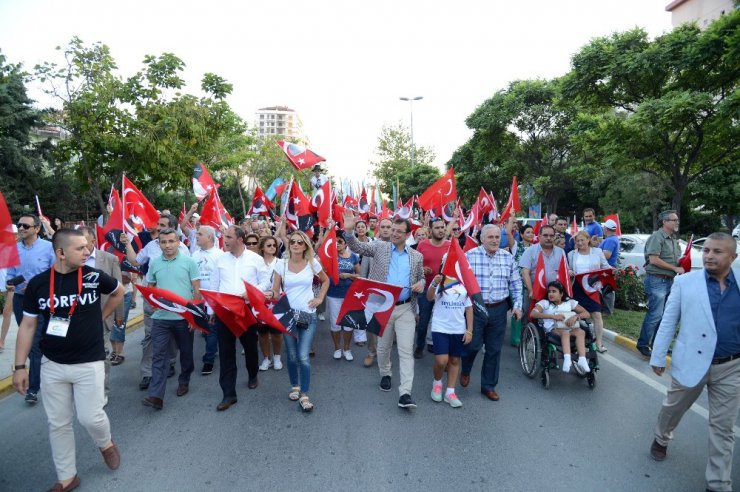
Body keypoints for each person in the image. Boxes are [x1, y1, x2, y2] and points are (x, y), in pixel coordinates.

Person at [12, 228, 124, 491]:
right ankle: (67, 477)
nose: (87, 252)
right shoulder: (38, 285)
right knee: (58, 423)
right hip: (53, 363)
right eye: (80, 248)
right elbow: (28, 327)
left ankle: (105, 442)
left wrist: (101, 315)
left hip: (89, 362)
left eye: (87, 247)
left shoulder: (95, 277)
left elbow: (118, 292)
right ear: (60, 253)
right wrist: (19, 367)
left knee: (90, 417)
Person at [649, 233, 740, 492]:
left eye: (717, 251)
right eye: (707, 250)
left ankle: (718, 484)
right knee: (672, 409)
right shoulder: (685, 283)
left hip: (731, 367)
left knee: (723, 428)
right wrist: (658, 355)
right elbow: (668, 320)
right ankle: (661, 437)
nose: (709, 255)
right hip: (690, 361)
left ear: (733, 257)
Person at [343, 212, 425, 410]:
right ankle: (385, 374)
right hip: (382, 306)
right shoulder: (379, 247)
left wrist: (421, 283)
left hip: (406, 307)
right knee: (383, 347)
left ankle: (405, 393)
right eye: (393, 230)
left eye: (399, 231)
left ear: (408, 234)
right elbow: (357, 246)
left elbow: (421, 277)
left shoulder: (416, 256)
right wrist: (348, 230)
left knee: (406, 351)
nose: (394, 233)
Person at [122, 214, 189, 390]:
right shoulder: (151, 246)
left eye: (162, 225)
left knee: (173, 335)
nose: (157, 227)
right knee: (151, 335)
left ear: (173, 229)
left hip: (174, 300)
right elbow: (135, 260)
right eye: (158, 224)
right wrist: (127, 243)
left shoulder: (183, 249)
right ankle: (147, 373)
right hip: (152, 299)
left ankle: (171, 361)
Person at [460, 224, 523, 401]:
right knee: (472, 345)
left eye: (497, 237)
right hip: (475, 310)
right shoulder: (469, 257)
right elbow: (460, 281)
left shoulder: (507, 257)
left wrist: (517, 306)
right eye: (491, 237)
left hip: (499, 309)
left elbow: (516, 284)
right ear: (482, 239)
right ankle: (465, 369)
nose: (495, 240)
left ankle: (488, 386)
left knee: (494, 349)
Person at [141, 228, 201, 410]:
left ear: (178, 242)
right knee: (159, 355)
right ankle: (156, 395)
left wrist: (193, 317)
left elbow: (196, 291)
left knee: (186, 353)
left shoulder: (189, 262)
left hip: (183, 317)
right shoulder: (155, 263)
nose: (167, 245)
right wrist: (152, 303)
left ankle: (184, 380)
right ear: (159, 243)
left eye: (171, 241)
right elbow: (150, 286)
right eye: (163, 242)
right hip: (161, 318)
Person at [271, 230, 330, 412]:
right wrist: (265, 295)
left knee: (303, 356)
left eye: (299, 242)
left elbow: (326, 280)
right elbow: (275, 292)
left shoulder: (312, 263)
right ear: (289, 245)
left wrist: (319, 299)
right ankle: (294, 386)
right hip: (288, 315)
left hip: (308, 314)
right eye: (293, 242)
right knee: (291, 355)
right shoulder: (280, 264)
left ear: (305, 246)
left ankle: (304, 393)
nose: (295, 244)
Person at [209, 226, 264, 411]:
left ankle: (252, 374)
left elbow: (266, 281)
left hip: (246, 309)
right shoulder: (220, 260)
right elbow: (214, 286)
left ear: (240, 240)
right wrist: (211, 311)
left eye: (229, 237)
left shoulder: (256, 259)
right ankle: (228, 394)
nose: (224, 240)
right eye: (225, 236)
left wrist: (251, 292)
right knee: (226, 352)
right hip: (224, 311)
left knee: (249, 347)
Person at [6, 213, 56, 404]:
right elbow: (10, 275)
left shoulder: (47, 248)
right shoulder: (13, 249)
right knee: (31, 341)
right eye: (19, 225)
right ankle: (38, 377)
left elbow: (55, 272)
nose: (21, 229)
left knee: (37, 342)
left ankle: (33, 387)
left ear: (37, 229)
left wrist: (37, 285)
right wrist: (12, 284)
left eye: (26, 226)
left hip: (41, 300)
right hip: (21, 300)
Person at [80, 227, 124, 399]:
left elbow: (118, 288)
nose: (81, 247)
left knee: (101, 354)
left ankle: (102, 391)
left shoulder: (109, 259)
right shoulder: (70, 260)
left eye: (84, 242)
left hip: (101, 316)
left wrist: (119, 315)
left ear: (92, 242)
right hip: (77, 316)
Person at [636, 210, 685, 358]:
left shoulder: (673, 239)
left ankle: (657, 345)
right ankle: (643, 344)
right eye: (673, 220)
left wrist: (683, 263)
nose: (676, 222)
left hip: (669, 281)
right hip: (657, 280)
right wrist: (675, 268)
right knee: (655, 315)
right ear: (664, 222)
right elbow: (654, 259)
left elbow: (675, 259)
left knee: (665, 316)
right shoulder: (657, 237)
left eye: (677, 220)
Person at [427, 273, 473, 408]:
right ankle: (437, 383)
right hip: (440, 326)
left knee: (454, 360)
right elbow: (429, 297)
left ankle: (450, 392)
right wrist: (434, 283)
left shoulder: (464, 281)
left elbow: (469, 308)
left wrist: (469, 330)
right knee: (442, 361)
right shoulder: (440, 279)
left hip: (458, 328)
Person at [530, 281, 591, 373]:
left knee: (581, 332)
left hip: (570, 327)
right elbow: (533, 314)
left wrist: (576, 317)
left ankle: (582, 359)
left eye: (554, 291)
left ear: (561, 294)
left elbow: (586, 313)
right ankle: (567, 359)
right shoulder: (545, 303)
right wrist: (553, 316)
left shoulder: (570, 303)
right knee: (565, 333)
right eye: (549, 291)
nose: (550, 294)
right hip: (552, 330)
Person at [567, 230, 611, 353]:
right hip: (577, 288)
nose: (580, 243)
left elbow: (605, 266)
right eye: (578, 241)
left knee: (597, 315)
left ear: (588, 240)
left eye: (582, 240)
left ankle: (599, 343)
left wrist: (612, 271)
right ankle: (577, 341)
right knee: (577, 314)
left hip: (592, 288)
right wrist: (569, 271)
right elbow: (568, 268)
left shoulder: (597, 252)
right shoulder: (571, 254)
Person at [414, 217, 450, 358]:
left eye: (442, 227)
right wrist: (422, 270)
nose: (441, 230)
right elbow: (414, 266)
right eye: (437, 228)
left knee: (441, 319)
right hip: (426, 288)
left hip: (444, 290)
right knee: (424, 320)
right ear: (430, 230)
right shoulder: (422, 245)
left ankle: (436, 344)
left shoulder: (450, 245)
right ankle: (420, 345)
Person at [190, 225, 224, 375]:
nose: (196, 236)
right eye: (196, 233)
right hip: (198, 300)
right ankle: (212, 349)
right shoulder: (194, 255)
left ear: (210, 237)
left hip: (213, 300)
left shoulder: (219, 255)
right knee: (204, 329)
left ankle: (208, 360)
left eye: (200, 234)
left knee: (211, 329)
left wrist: (215, 304)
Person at [324, 230, 360, 360]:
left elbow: (359, 275)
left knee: (349, 323)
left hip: (350, 294)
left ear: (345, 244)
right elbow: (323, 273)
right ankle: (337, 348)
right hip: (334, 294)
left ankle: (347, 349)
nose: (337, 244)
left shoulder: (354, 256)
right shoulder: (329, 256)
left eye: (340, 242)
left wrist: (349, 275)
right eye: (335, 242)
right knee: (335, 323)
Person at [520, 225, 566, 307]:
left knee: (552, 317)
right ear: (539, 236)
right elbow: (525, 273)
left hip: (554, 293)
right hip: (534, 291)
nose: (548, 238)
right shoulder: (530, 251)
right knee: (530, 317)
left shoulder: (561, 252)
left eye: (551, 236)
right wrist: (531, 291)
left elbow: (564, 271)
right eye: (545, 235)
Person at [256, 235, 283, 371]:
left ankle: (277, 357)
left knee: (277, 333)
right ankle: (266, 358)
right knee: (262, 333)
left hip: (276, 301)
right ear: (262, 248)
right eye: (269, 245)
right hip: (260, 302)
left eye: (274, 245)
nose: (273, 247)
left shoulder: (281, 262)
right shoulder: (256, 262)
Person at [509, 224, 534, 346]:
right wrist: (512, 218)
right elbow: (509, 233)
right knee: (518, 309)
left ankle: (525, 334)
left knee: (528, 310)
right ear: (522, 235)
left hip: (530, 283)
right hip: (517, 285)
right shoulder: (515, 247)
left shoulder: (535, 248)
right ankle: (516, 338)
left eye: (532, 232)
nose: (531, 234)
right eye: (528, 232)